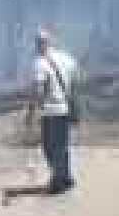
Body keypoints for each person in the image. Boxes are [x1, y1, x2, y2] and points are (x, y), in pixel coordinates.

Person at [26, 29, 79, 194]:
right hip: (65, 108)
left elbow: (39, 90)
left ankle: (58, 180)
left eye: (37, 43)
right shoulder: (65, 57)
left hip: (51, 111)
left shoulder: (39, 63)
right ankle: (66, 178)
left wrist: (31, 112)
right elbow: (76, 77)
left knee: (50, 147)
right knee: (62, 146)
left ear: (39, 44)